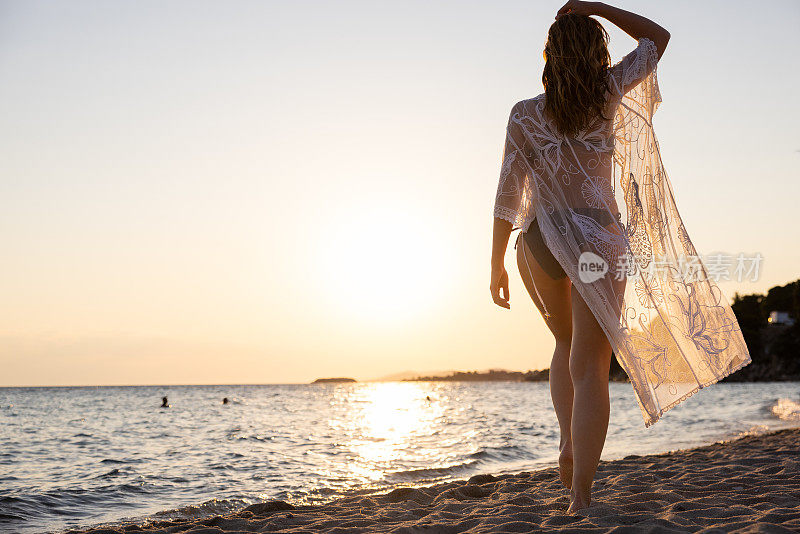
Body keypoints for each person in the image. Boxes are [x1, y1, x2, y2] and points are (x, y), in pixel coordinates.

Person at [489, 1, 750, 513]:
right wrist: (592, 6)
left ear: (549, 55)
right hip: (599, 241)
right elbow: (657, 38)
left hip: (542, 240)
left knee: (564, 345)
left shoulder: (524, 114)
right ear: (596, 52)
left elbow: (506, 195)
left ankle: (566, 441)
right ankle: (581, 494)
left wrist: (494, 263)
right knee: (590, 366)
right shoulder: (607, 93)